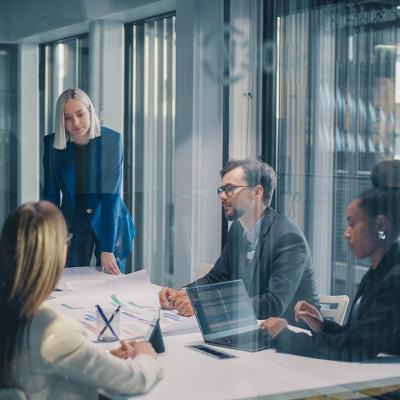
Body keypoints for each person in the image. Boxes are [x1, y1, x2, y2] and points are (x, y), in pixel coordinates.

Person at [0, 201, 161, 399]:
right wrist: (146, 354)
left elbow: (39, 364)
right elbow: (136, 380)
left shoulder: (11, 311)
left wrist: (102, 357)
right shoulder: (52, 331)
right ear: (55, 254)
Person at [261, 159, 400, 361]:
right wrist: (322, 325)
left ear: (380, 225)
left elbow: (358, 347)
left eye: (353, 224)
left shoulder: (395, 279)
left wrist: (285, 336)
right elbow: (357, 334)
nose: (346, 233)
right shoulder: (377, 273)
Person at [159, 159, 319, 323]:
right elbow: (217, 278)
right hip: (249, 330)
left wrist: (203, 306)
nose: (222, 196)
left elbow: (273, 304)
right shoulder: (237, 229)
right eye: (221, 189)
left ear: (257, 192)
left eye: (230, 189)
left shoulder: (288, 238)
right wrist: (181, 294)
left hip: (291, 340)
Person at [43, 88, 135, 274]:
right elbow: (50, 196)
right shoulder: (52, 144)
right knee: (68, 279)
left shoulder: (111, 140)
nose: (75, 123)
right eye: (68, 118)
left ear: (90, 111)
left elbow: (111, 196)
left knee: (111, 281)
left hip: (107, 216)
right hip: (73, 217)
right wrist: (51, 238)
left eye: (80, 114)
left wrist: (107, 248)